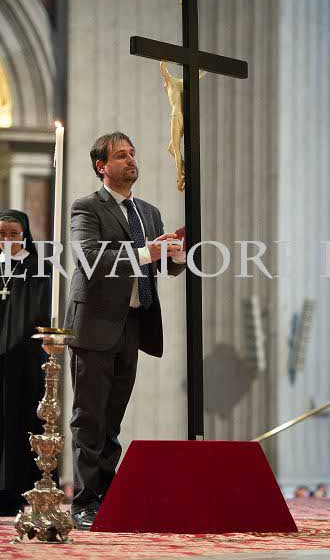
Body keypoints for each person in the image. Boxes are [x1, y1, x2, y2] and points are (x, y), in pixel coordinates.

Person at [64, 131, 185, 530]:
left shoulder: (148, 212)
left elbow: (160, 265)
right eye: (121, 155)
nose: (131, 160)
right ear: (102, 166)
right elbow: (91, 259)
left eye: (133, 153)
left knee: (112, 418)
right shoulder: (87, 207)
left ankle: (105, 496)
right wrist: (148, 251)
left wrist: (175, 255)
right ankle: (83, 502)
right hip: (94, 324)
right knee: (89, 418)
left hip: (132, 323)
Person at [0, 209, 51, 516]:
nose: (7, 240)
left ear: (25, 235)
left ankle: (16, 491)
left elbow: (41, 312)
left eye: (13, 234)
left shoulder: (38, 267)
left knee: (20, 422)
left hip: (24, 361)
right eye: (1, 234)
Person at [160, 61, 206, 192]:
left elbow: (162, 67)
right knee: (171, 148)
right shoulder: (181, 83)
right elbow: (197, 75)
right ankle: (185, 169)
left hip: (176, 115)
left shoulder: (170, 82)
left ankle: (180, 177)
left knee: (175, 148)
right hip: (183, 117)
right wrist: (206, 67)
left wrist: (168, 58)